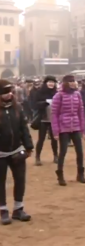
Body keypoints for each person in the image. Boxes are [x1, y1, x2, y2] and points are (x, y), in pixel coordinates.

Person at [0, 79, 34, 225]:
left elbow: (24, 128)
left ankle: (18, 209)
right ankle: (3, 210)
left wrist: (28, 146)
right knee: (0, 182)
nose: (9, 95)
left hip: (17, 150)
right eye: (5, 92)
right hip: (0, 153)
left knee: (20, 180)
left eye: (10, 91)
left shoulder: (18, 108)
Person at [51, 75, 85, 186]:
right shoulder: (59, 95)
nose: (72, 83)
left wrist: (82, 128)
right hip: (63, 127)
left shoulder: (77, 94)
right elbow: (54, 114)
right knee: (63, 152)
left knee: (80, 152)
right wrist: (56, 131)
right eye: (70, 81)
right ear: (65, 83)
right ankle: (60, 174)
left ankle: (80, 174)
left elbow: (81, 112)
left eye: (73, 81)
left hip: (75, 126)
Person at [35, 76, 58, 166]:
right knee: (41, 139)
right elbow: (35, 105)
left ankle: (56, 156)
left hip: (53, 119)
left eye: (53, 82)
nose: (51, 84)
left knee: (54, 139)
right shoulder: (40, 93)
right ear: (45, 83)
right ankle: (37, 157)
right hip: (43, 119)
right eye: (49, 82)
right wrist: (45, 102)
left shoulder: (56, 93)